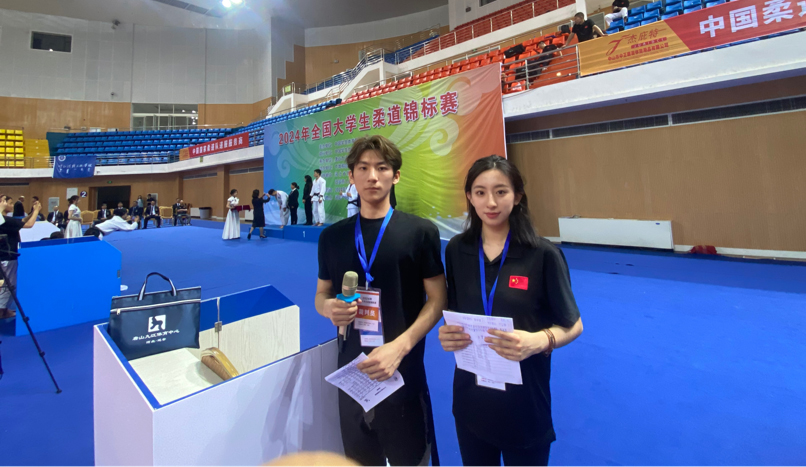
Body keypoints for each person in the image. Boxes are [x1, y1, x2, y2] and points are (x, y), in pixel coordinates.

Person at [438, 155, 583, 466]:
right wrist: (447, 335)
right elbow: (456, 313)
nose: (490, 202)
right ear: (469, 197)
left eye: (501, 191)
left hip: (524, 403)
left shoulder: (543, 255)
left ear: (517, 196)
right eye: (480, 192)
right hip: (470, 399)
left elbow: (573, 324)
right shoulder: (456, 251)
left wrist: (539, 340)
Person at [315, 135, 447, 466]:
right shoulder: (332, 237)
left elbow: (438, 298)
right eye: (363, 168)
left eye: (382, 168)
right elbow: (321, 295)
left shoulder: (420, 232)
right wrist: (329, 308)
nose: (372, 176)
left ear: (396, 175)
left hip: (403, 372)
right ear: (351, 176)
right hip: (352, 373)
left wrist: (401, 347)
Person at [0, 195, 41, 319]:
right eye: (9, 203)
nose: (12, 205)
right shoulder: (4, 220)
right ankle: (1, 310)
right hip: (8, 256)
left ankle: (4, 309)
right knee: (9, 285)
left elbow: (22, 221)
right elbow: (29, 224)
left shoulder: (6, 219)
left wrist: (32, 212)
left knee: (10, 284)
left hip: (8, 255)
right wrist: (37, 211)